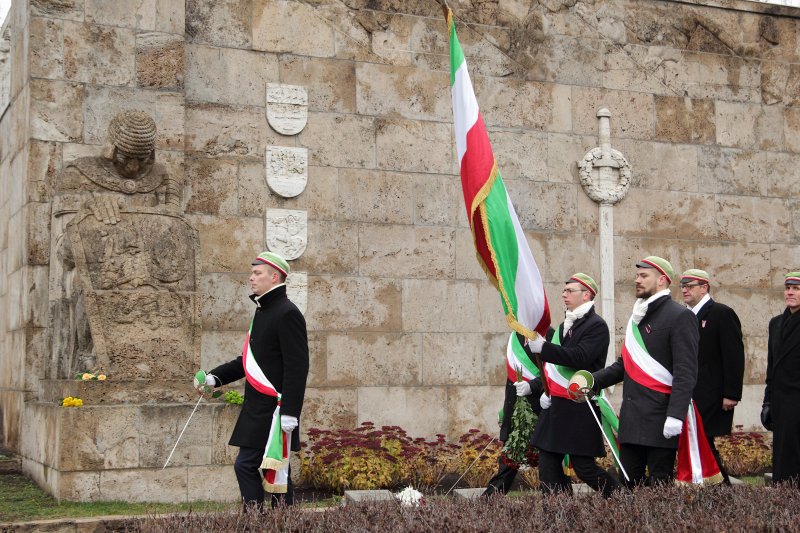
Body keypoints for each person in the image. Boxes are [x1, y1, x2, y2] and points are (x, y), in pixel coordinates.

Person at [194, 251, 309, 509]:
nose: (251, 278)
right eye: (252, 273)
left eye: (257, 273)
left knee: (249, 465)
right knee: (276, 472)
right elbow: (249, 361)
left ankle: (255, 521)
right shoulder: (263, 311)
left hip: (275, 411)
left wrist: (291, 411)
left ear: (275, 276)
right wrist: (215, 377)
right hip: (258, 409)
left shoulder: (287, 313)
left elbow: (297, 367)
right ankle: (283, 522)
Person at [575, 256, 699, 487]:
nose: (637, 280)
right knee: (628, 486)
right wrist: (591, 381)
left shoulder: (680, 316)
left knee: (658, 490)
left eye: (644, 276)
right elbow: (625, 365)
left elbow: (686, 371)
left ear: (662, 280)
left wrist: (675, 415)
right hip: (632, 421)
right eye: (637, 276)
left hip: (661, 418)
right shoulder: (637, 317)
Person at [520, 273, 620, 496]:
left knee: (584, 468)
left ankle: (623, 498)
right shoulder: (566, 324)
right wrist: (548, 390)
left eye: (569, 290)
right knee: (548, 462)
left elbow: (580, 357)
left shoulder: (597, 325)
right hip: (557, 405)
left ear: (586, 295)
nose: (564, 294)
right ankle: (558, 510)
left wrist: (544, 349)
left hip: (579, 405)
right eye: (564, 290)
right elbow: (558, 363)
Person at [681, 268, 744, 485]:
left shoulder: (721, 313)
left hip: (712, 394)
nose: (684, 290)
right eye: (682, 286)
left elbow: (734, 356)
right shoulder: (684, 316)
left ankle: (721, 490)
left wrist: (731, 393)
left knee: (704, 441)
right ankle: (713, 490)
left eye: (690, 286)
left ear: (704, 287)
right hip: (689, 393)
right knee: (699, 443)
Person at [762, 271, 800, 485]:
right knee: (783, 461)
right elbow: (772, 368)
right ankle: (783, 505)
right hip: (781, 403)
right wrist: (768, 401)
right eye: (788, 288)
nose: (790, 293)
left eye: (796, 289)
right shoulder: (776, 323)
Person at [482, 362, 543, 496]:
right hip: (516, 417)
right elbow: (511, 388)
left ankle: (560, 503)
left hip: (542, 413)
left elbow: (553, 373)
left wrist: (532, 386)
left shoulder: (549, 341)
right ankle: (488, 503)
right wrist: (506, 413)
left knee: (551, 467)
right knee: (508, 464)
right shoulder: (516, 346)